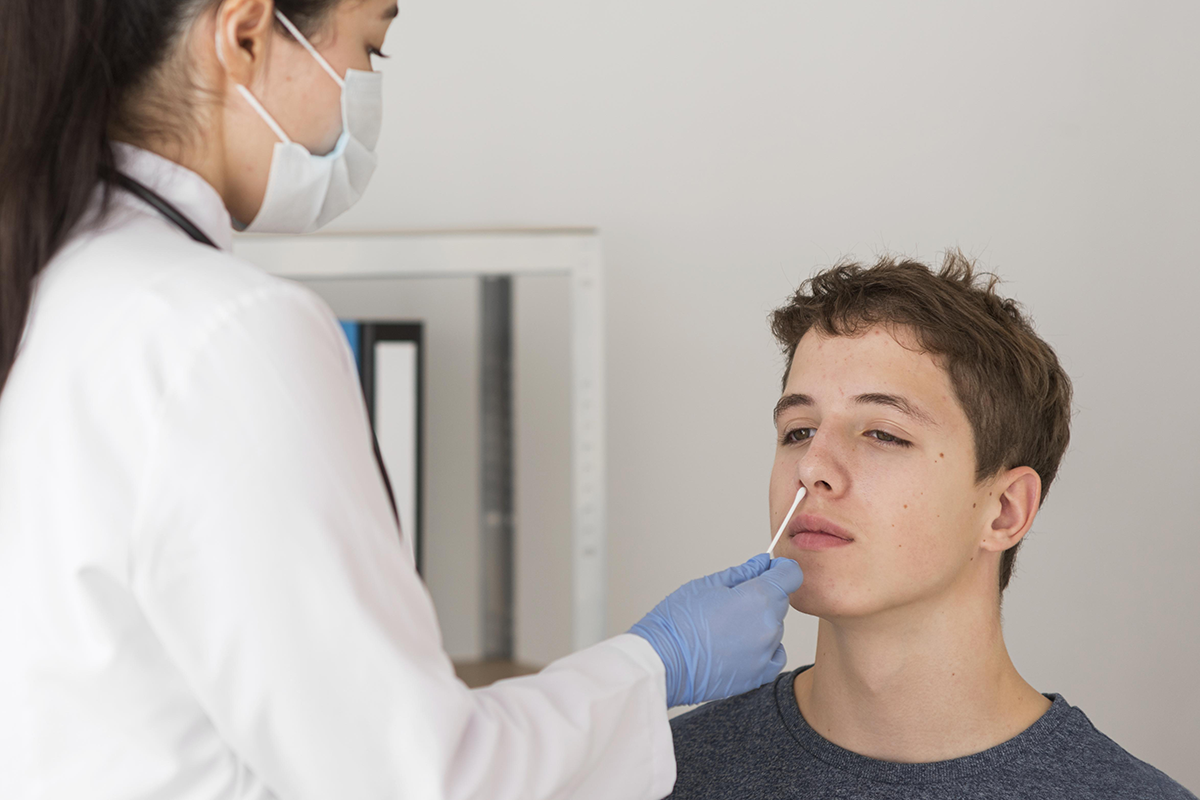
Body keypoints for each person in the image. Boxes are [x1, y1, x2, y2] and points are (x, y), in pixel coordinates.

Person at [0, 2, 804, 798]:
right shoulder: (225, 332)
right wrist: (656, 662)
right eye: (370, 49)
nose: (360, 91)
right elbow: (416, 780)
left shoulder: (59, 290)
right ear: (246, 34)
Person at [667, 254, 1197, 799]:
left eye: (883, 434)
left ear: (1005, 510)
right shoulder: (654, 775)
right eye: (798, 431)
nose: (812, 468)